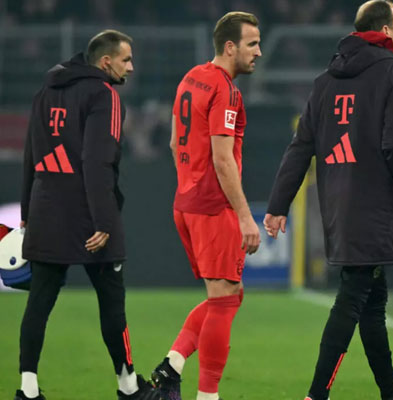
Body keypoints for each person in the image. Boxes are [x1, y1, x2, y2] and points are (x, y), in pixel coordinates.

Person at [263, 1, 393, 400]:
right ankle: (316, 395)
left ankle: (392, 394)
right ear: (384, 31)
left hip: (338, 204)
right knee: (355, 295)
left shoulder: (325, 82)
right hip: (376, 204)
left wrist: (277, 205)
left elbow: (300, 147)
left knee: (372, 302)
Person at [18, 30, 158, 400]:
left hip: (46, 209)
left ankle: (27, 389)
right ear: (106, 62)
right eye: (126, 60)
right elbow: (97, 162)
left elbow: (30, 155)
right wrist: (104, 221)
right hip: (89, 217)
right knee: (112, 304)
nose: (131, 67)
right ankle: (128, 386)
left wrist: (26, 212)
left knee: (39, 304)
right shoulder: (105, 96)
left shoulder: (45, 92)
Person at [150, 11, 262, 400]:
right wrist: (245, 216)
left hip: (186, 201)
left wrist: (190, 182)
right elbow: (223, 158)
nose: (258, 52)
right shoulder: (226, 90)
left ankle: (172, 364)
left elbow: (172, 143)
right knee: (226, 299)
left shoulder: (190, 78)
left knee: (228, 296)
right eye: (252, 44)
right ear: (230, 47)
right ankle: (207, 396)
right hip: (214, 207)